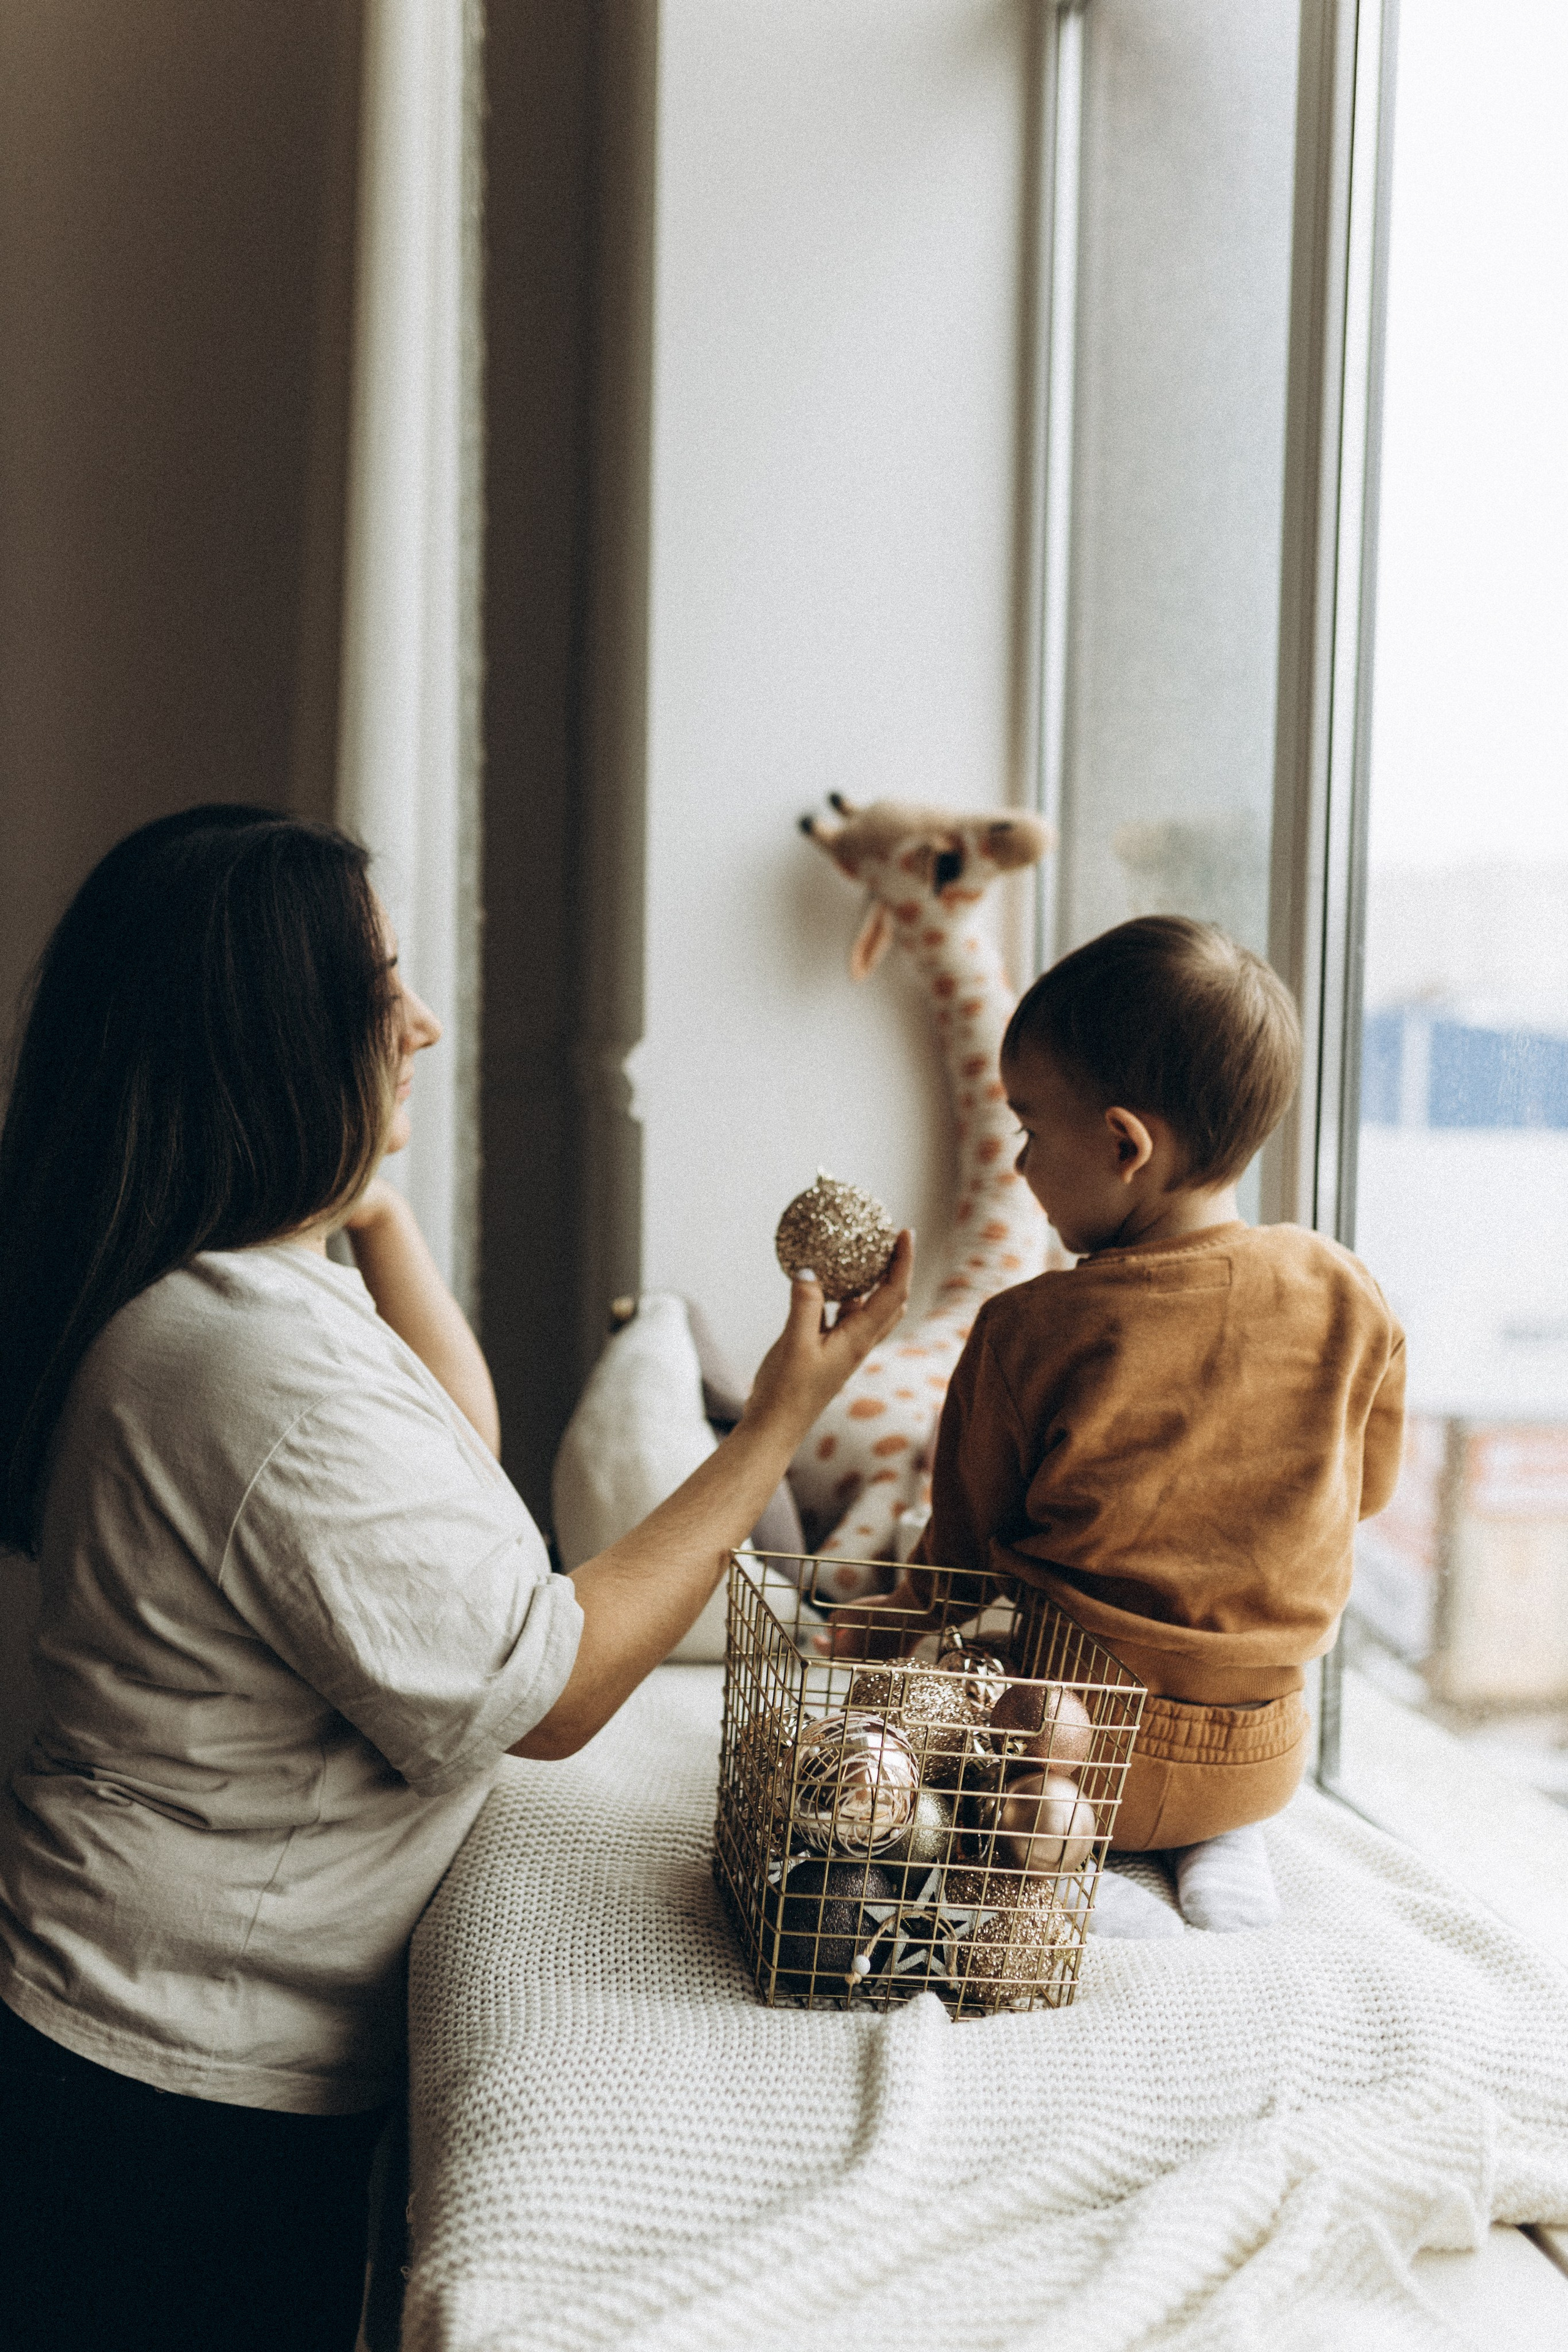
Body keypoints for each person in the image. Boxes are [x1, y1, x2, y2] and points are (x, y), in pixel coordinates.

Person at [0, 805, 912, 2352]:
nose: (422, 1023)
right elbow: (545, 1688)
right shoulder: (251, 1365)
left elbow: (453, 1439)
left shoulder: (237, 1286)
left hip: (140, 2026)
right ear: (275, 1038)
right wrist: (772, 1426)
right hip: (160, 2077)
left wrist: (368, 1186)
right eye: (382, 997)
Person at [831, 916, 1404, 1937]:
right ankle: (1220, 1841)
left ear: (1125, 1143)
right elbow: (1366, 1489)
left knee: (942, 1747)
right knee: (1209, 1767)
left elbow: (961, 1561)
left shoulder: (1030, 1329)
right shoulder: (1345, 1289)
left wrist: (881, 1627)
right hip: (1267, 1752)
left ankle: (1061, 1881)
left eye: (1032, 1128)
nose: (1017, 1164)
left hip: (1075, 1753)